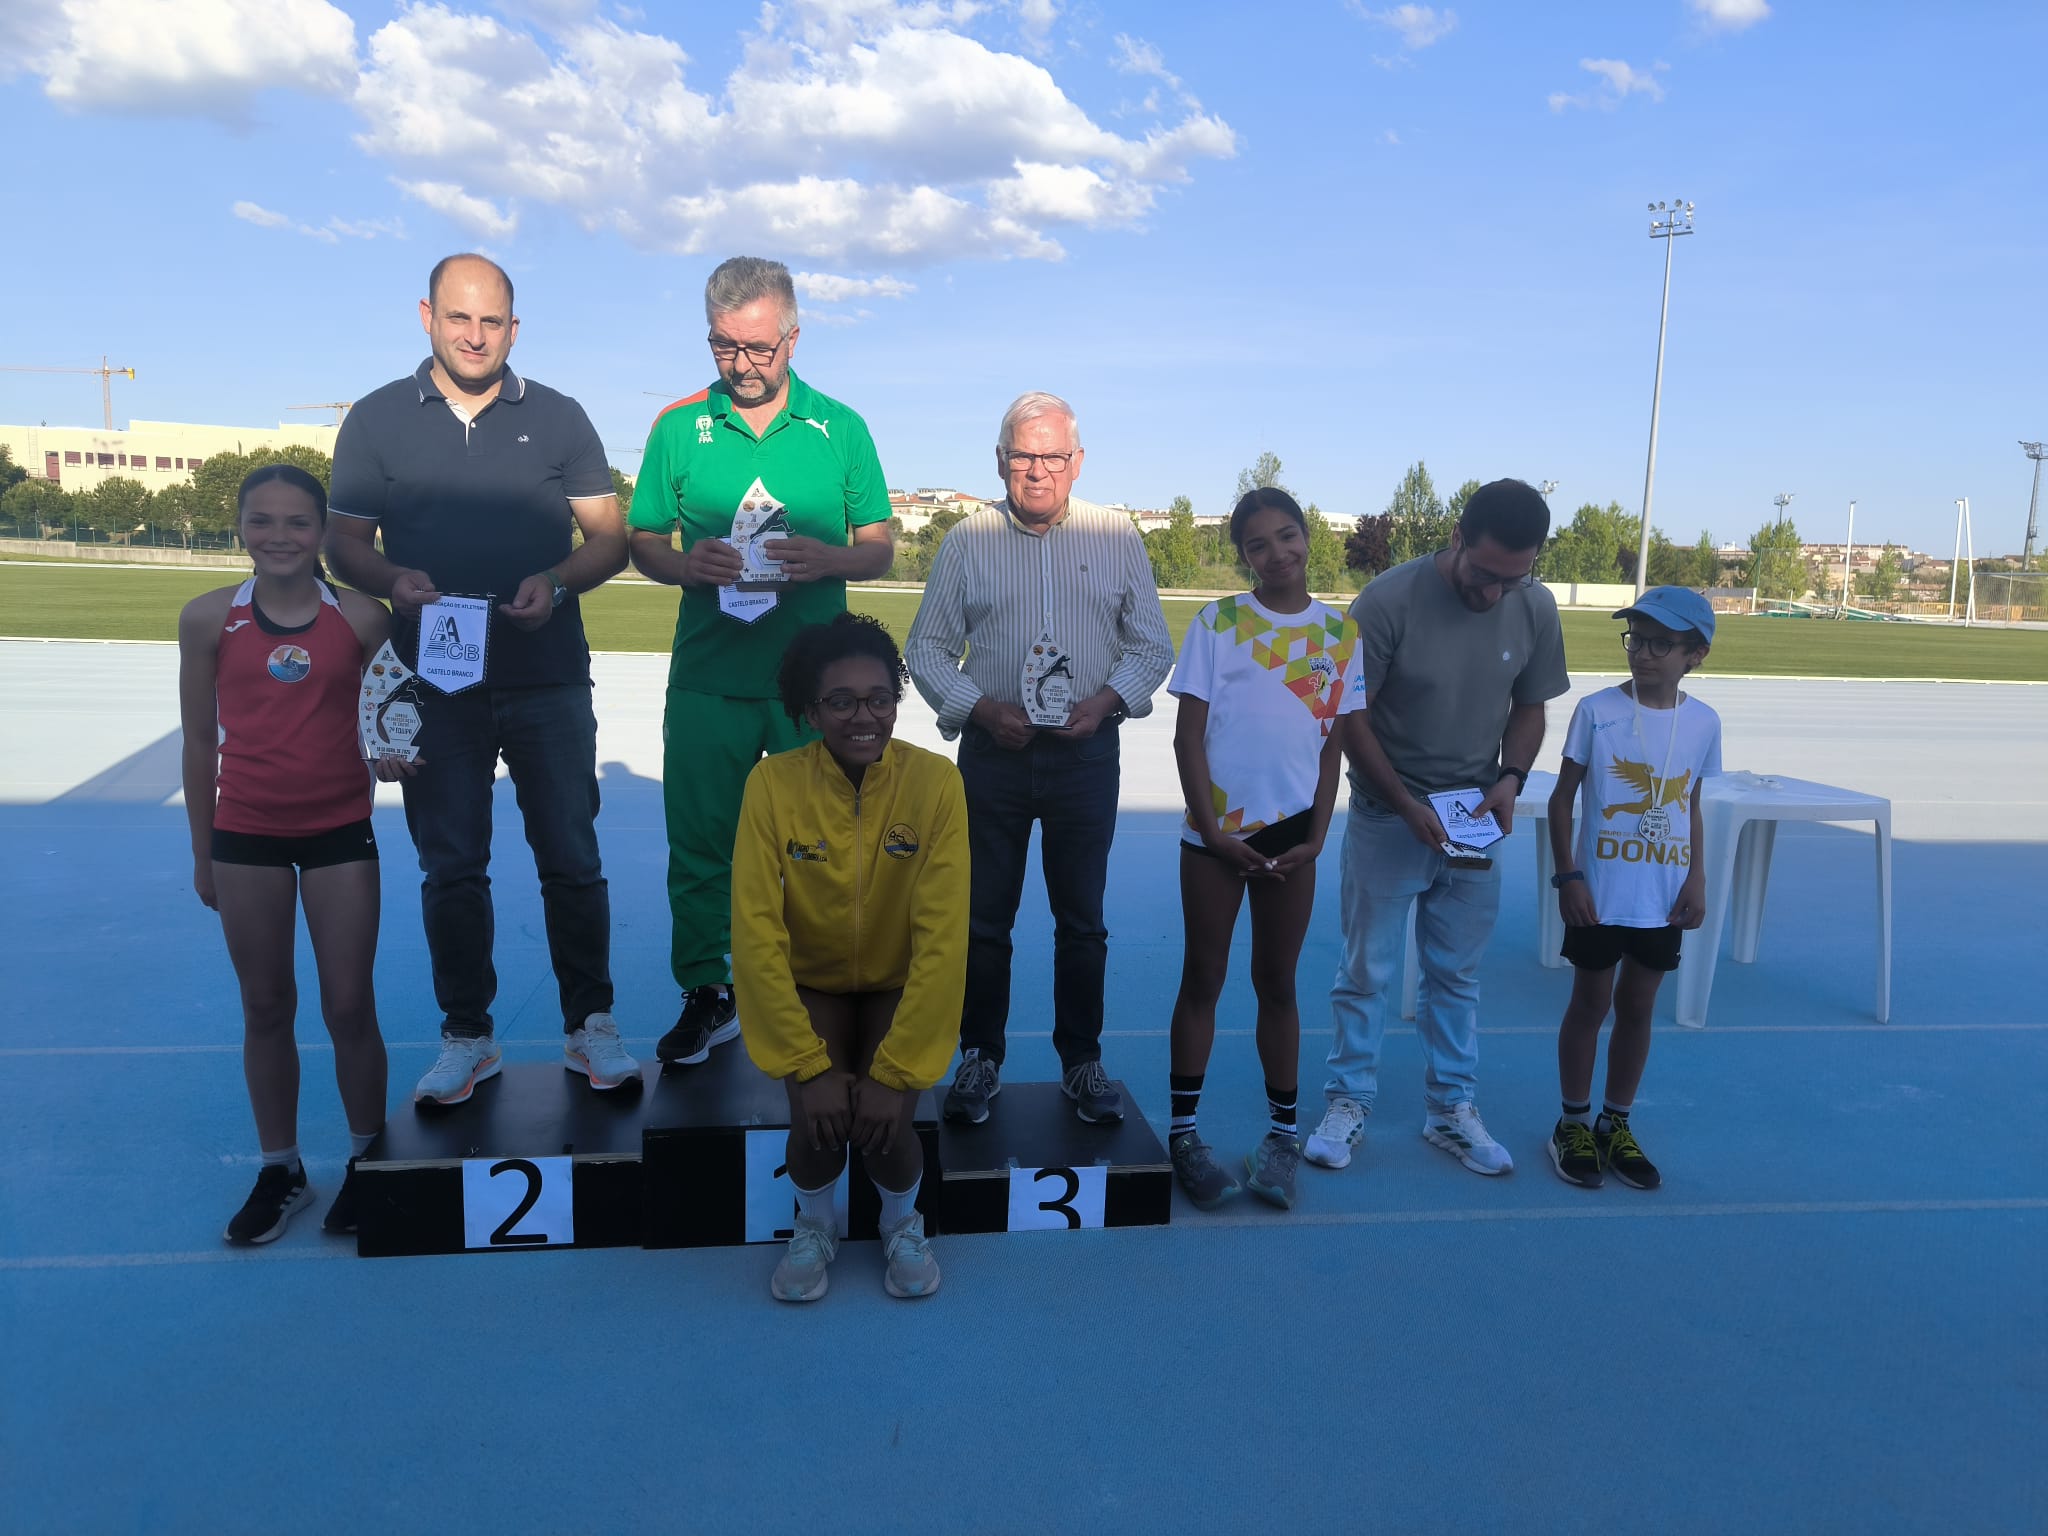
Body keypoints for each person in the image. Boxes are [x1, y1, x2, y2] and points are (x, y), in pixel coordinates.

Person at [327, 253, 637, 1103]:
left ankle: (591, 1025)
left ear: (514, 328)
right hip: (437, 683)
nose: (475, 335)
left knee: (572, 858)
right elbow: (344, 544)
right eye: (459, 318)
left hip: (547, 677)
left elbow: (609, 539)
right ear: (427, 316)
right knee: (452, 867)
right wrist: (393, 581)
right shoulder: (377, 418)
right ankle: (468, 1036)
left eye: (491, 321)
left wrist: (559, 582)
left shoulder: (561, 417)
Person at [628, 256, 895, 1068]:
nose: (741, 364)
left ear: (793, 337)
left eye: (757, 347)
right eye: (723, 346)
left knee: (826, 846)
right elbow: (643, 540)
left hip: (816, 691)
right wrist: (686, 565)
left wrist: (828, 559)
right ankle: (709, 992)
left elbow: (879, 548)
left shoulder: (841, 427)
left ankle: (826, 985)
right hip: (710, 679)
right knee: (701, 846)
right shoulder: (678, 427)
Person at [905, 391, 1174, 1126]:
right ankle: (979, 1057)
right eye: (1024, 455)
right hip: (994, 754)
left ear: (1077, 462)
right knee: (981, 918)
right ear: (1000, 461)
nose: (1037, 470)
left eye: (1052, 456)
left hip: (1085, 756)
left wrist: (1107, 700)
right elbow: (926, 648)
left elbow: (1152, 646)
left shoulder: (1117, 535)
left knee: (1082, 920)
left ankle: (1082, 1062)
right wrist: (981, 709)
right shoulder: (967, 540)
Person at [1305, 479, 1569, 1177]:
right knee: (1366, 969)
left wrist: (1511, 777)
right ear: (1456, 538)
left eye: (1514, 578)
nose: (1494, 593)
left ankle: (1451, 1106)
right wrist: (1401, 802)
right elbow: (1350, 716)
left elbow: (1530, 706)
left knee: (1456, 974)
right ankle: (1348, 1099)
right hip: (1387, 814)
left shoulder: (1534, 606)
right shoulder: (1387, 602)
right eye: (1484, 574)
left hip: (1474, 820)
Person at [178, 464, 394, 1243]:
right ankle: (283, 1170)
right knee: (266, 1004)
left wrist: (397, 752)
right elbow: (198, 743)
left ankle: (370, 1160)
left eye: (298, 522)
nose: (279, 536)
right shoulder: (207, 618)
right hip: (246, 836)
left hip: (340, 831)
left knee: (349, 1005)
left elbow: (392, 716)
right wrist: (203, 853)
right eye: (262, 520)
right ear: (240, 527)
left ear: (322, 532)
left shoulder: (363, 617)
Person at [731, 613, 967, 1300]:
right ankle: (814, 1225)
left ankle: (901, 1224)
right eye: (841, 701)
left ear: (896, 700)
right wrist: (806, 1065)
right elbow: (755, 932)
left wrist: (897, 1072)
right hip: (815, 983)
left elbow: (944, 937)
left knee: (887, 1126)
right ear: (810, 711)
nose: (864, 717)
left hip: (897, 982)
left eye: (879, 699)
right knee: (819, 1124)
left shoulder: (936, 783)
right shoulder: (772, 786)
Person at [1164, 489, 1365, 1212]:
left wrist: (1317, 834)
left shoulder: (1340, 634)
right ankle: (1184, 1134)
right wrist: (1214, 831)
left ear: (1308, 536)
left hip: (1292, 841)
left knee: (1277, 984)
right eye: (1257, 544)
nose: (1277, 553)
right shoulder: (1218, 623)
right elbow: (1188, 737)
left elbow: (1332, 745)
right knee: (1203, 977)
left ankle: (1281, 1138)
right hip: (1215, 835)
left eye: (1287, 536)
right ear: (1243, 555)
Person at [1547, 588, 1721, 1191]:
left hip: (1662, 896)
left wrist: (1697, 875)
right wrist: (1569, 876)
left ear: (1695, 654)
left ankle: (1615, 1121)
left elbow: (1691, 805)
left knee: (1639, 1008)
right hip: (1599, 892)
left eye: (1660, 644)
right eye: (1636, 639)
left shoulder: (1703, 723)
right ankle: (1572, 1123)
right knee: (1590, 1004)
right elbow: (1562, 800)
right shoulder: (1597, 711)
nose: (1642, 653)